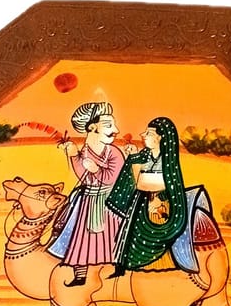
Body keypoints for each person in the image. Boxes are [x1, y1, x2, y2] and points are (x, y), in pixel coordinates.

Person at [47, 100, 125, 286]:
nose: (115, 130)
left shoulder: (113, 152)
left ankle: (118, 272)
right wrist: (75, 156)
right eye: (108, 125)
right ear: (92, 127)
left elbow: (113, 178)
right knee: (82, 238)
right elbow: (83, 176)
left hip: (110, 202)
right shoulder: (86, 151)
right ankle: (80, 275)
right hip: (89, 200)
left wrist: (96, 170)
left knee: (114, 237)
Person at [106, 116, 189, 274]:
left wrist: (153, 192)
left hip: (159, 206)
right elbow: (138, 182)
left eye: (149, 133)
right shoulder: (145, 156)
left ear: (161, 137)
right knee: (130, 235)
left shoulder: (167, 161)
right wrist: (133, 157)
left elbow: (161, 185)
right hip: (141, 203)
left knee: (155, 238)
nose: (143, 135)